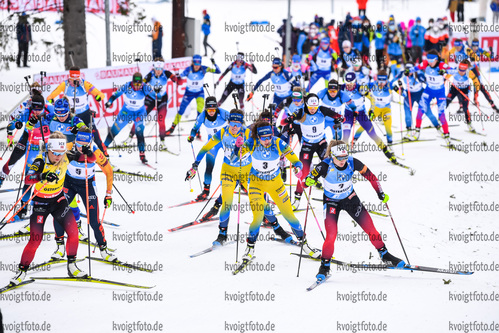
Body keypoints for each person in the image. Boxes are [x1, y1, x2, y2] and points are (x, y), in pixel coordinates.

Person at [186, 110, 292, 245]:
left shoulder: (248, 133)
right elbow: (206, 147)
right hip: (228, 172)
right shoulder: (223, 132)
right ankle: (222, 234)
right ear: (229, 122)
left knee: (262, 204)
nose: (234, 126)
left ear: (241, 123)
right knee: (227, 202)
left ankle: (278, 229)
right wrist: (195, 166)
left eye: (238, 123)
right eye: (232, 123)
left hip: (248, 173)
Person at [304, 141, 405, 282]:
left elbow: (371, 176)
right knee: (331, 234)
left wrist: (380, 193)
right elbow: (308, 180)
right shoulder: (324, 166)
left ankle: (385, 255)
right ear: (332, 155)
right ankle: (324, 266)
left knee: (370, 228)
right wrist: (309, 181)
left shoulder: (352, 162)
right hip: (331, 202)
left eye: (345, 157)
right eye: (339, 158)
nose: (342, 161)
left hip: (350, 199)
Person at [233, 120, 321, 261]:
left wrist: (298, 168)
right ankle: (249, 249)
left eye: (269, 137)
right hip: (256, 184)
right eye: (264, 138)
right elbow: (235, 157)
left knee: (289, 215)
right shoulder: (252, 143)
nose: (267, 141)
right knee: (257, 217)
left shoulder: (278, 143)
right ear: (258, 137)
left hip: (276, 184)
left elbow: (295, 160)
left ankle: (305, 245)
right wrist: (237, 148)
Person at [10, 132, 87, 285]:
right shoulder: (40, 161)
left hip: (58, 201)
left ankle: (72, 265)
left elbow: (89, 159)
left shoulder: (66, 156)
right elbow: (28, 179)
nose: (58, 157)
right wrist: (42, 176)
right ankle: (21, 272)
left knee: (74, 233)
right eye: (55, 153)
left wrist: (87, 152)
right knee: (35, 240)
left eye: (61, 153)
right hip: (41, 203)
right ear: (48, 150)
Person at [52, 128, 116, 262]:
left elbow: (109, 171)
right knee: (59, 214)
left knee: (93, 221)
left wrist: (108, 194)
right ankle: (60, 247)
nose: (81, 148)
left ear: (90, 142)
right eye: (78, 144)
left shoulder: (96, 152)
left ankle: (103, 249)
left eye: (84, 145)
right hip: (69, 183)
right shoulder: (68, 147)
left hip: (87, 185)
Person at [283, 93, 344, 209]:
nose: (312, 110)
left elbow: (338, 116)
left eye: (314, 108)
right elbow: (288, 120)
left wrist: (339, 118)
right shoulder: (301, 111)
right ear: (306, 104)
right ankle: (297, 199)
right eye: (310, 107)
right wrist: (289, 123)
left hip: (321, 143)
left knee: (331, 166)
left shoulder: (322, 110)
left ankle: (338, 195)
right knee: (304, 172)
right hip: (307, 145)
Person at [0, 94, 52, 219]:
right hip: (27, 141)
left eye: (39, 109)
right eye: (35, 108)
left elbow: (64, 117)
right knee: (10, 163)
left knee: (29, 177)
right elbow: (11, 123)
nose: (36, 111)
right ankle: (1, 179)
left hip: (40, 146)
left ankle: (24, 207)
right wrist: (16, 125)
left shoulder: (50, 110)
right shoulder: (28, 111)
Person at [46, 66, 107, 156]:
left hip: (85, 114)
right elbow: (50, 97)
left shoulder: (84, 84)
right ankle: (75, 158)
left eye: (76, 79)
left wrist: (98, 96)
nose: (74, 82)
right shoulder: (64, 85)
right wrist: (52, 101)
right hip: (72, 116)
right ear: (69, 78)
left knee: (95, 136)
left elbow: (101, 94)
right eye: (72, 79)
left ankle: (105, 156)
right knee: (73, 139)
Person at [341, 72, 397, 162]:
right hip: (348, 114)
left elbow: (372, 99)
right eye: (347, 84)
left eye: (351, 84)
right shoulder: (342, 88)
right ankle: (343, 158)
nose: (349, 86)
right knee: (345, 136)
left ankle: (387, 153)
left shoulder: (361, 88)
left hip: (361, 114)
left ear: (355, 82)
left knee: (373, 135)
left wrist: (371, 110)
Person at [404, 49, 452, 145]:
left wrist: (445, 73)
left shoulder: (441, 65)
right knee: (420, 111)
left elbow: (453, 71)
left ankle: (447, 136)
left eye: (432, 60)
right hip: (428, 91)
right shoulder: (426, 63)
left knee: (441, 114)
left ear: (436, 59)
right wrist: (409, 70)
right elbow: (417, 68)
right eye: (428, 60)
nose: (430, 62)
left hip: (440, 92)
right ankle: (417, 133)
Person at [165, 55, 221, 135]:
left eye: (199, 64)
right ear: (193, 63)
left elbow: (218, 71)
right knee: (181, 110)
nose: (197, 66)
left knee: (199, 111)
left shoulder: (204, 68)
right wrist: (177, 75)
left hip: (199, 93)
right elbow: (179, 78)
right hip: (189, 93)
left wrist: (214, 63)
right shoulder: (188, 69)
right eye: (195, 63)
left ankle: (197, 130)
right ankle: (172, 127)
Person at [104, 72, 153, 163]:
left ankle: (142, 155)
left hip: (139, 113)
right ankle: (103, 148)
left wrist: (156, 92)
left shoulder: (145, 87)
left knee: (139, 132)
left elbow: (155, 96)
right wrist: (110, 102)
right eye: (135, 84)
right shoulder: (127, 86)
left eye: (139, 84)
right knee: (114, 130)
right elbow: (115, 95)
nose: (137, 86)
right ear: (132, 82)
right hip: (126, 112)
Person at [127, 58, 177, 147]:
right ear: (154, 68)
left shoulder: (166, 73)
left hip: (162, 100)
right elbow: (142, 83)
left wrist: (176, 79)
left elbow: (177, 79)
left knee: (161, 120)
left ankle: (162, 142)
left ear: (163, 68)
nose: (158, 71)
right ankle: (130, 137)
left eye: (160, 69)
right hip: (150, 99)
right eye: (156, 69)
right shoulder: (150, 74)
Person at [188, 97, 229, 201]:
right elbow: (194, 129)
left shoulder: (223, 113)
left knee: (231, 164)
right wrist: (192, 136)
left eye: (213, 110)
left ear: (217, 108)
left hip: (226, 142)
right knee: (209, 167)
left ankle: (240, 183)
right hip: (212, 143)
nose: (211, 112)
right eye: (209, 110)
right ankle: (206, 190)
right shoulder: (202, 116)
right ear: (205, 109)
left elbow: (237, 122)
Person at [354, 70, 394, 145]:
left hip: (386, 110)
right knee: (365, 125)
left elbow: (402, 93)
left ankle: (390, 142)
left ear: (386, 80)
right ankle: (354, 140)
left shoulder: (390, 85)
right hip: (374, 110)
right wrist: (361, 90)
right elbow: (362, 87)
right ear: (377, 80)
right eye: (379, 81)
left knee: (388, 126)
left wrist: (400, 88)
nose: (381, 83)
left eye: (383, 81)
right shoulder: (373, 85)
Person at [391, 62, 425, 140]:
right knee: (407, 114)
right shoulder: (402, 75)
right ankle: (409, 130)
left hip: (419, 94)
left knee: (423, 111)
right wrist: (399, 89)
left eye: (410, 70)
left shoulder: (418, 74)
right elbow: (394, 82)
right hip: (409, 94)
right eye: (407, 70)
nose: (408, 72)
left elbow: (426, 82)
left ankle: (418, 130)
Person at [445, 60, 480, 132]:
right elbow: (445, 74)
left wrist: (477, 91)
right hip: (454, 89)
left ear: (466, 69)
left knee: (465, 108)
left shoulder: (469, 72)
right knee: (446, 103)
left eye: (463, 70)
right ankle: (440, 120)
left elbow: (476, 82)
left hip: (465, 90)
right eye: (460, 70)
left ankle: (469, 123)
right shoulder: (455, 70)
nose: (461, 72)